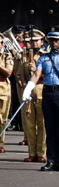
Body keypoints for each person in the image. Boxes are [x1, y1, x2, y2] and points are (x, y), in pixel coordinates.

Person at [22, 30, 59, 171]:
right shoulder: (43, 58)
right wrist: (29, 87)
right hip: (48, 93)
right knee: (49, 128)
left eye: (56, 41)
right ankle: (51, 160)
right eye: (51, 41)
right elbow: (37, 74)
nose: (54, 43)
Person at [18, 30, 46, 163]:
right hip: (28, 91)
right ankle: (32, 152)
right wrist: (24, 85)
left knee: (42, 123)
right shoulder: (25, 55)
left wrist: (37, 72)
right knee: (29, 123)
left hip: (41, 89)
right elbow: (20, 73)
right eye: (32, 40)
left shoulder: (46, 55)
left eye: (37, 40)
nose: (34, 43)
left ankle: (41, 152)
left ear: (42, 41)